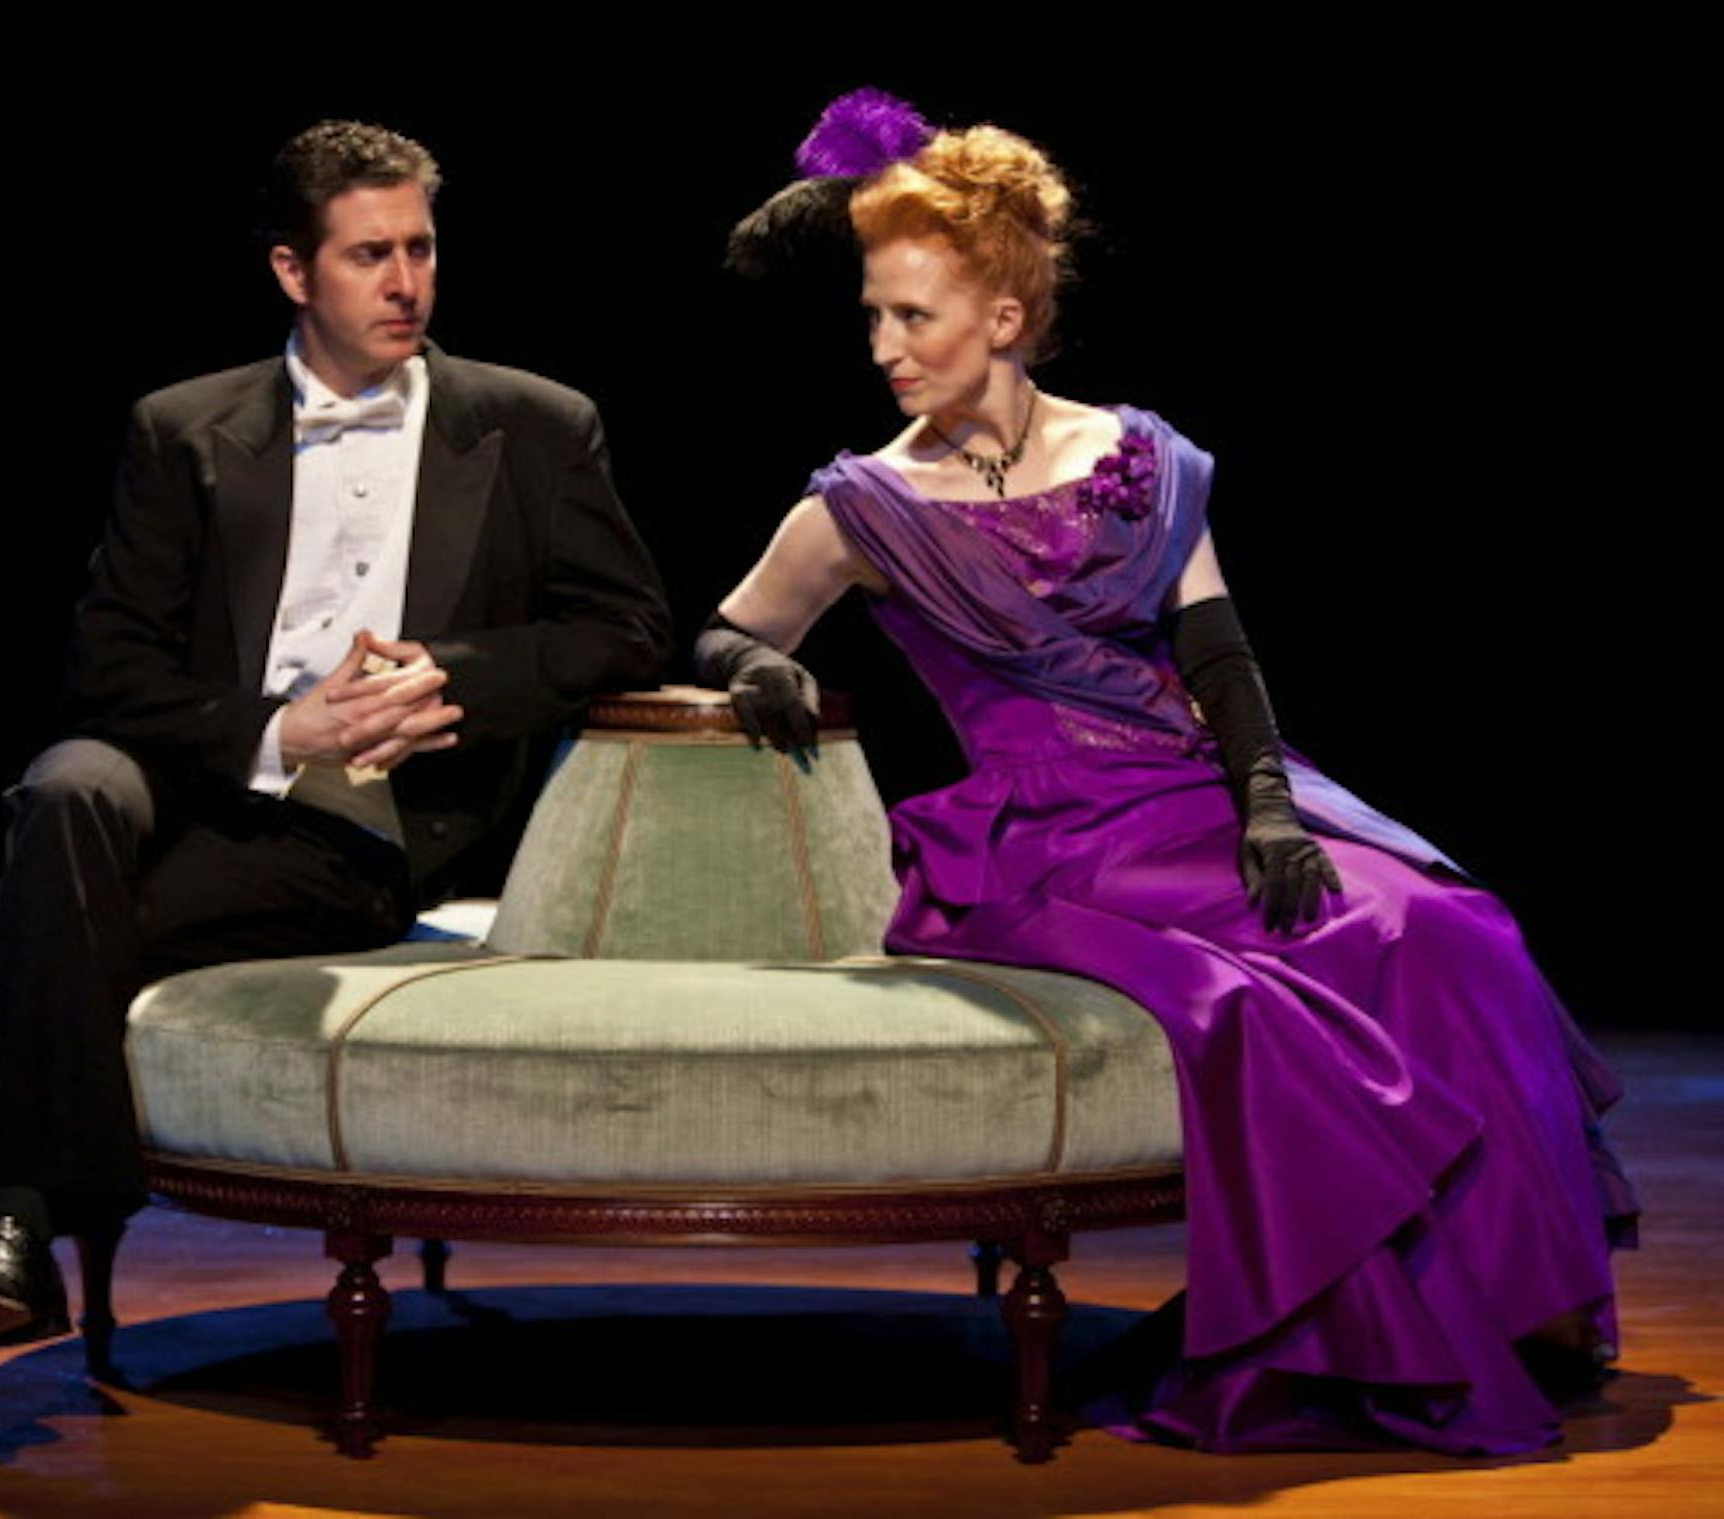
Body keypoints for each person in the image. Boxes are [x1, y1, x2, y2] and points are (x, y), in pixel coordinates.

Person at [0, 119, 672, 1408]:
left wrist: (450, 673)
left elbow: (628, 629)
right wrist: (282, 731)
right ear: (293, 270)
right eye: (370, 255)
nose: (407, 282)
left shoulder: (533, 424)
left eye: (422, 248)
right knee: (67, 785)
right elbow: (110, 673)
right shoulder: (184, 428)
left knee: (8, 953)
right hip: (184, 787)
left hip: (357, 836)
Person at [698, 91, 1634, 1454]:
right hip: (1045, 839)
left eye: (912, 316)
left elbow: (1219, 653)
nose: (883, 347)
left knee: (1451, 924)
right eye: (873, 317)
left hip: (1191, 796)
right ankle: (1353, 1341)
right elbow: (729, 626)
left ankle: (1490, 1310)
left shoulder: (1137, 453)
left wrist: (1268, 805)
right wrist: (755, 668)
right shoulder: (862, 504)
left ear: (1003, 318)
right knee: (1292, 981)